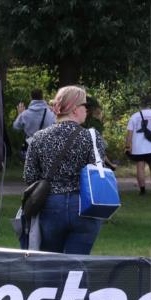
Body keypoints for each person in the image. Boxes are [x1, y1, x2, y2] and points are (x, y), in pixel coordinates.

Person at [21, 85, 108, 254]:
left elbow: (29, 177)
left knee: (52, 264)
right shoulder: (90, 136)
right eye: (85, 106)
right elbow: (99, 173)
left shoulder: (39, 137)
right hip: (84, 207)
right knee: (77, 265)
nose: (87, 111)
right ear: (75, 109)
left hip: (50, 206)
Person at [13, 88, 56, 159]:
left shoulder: (25, 114)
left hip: (30, 145)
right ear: (42, 97)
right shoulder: (50, 113)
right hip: (46, 146)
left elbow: (16, 127)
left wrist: (20, 114)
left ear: (31, 97)